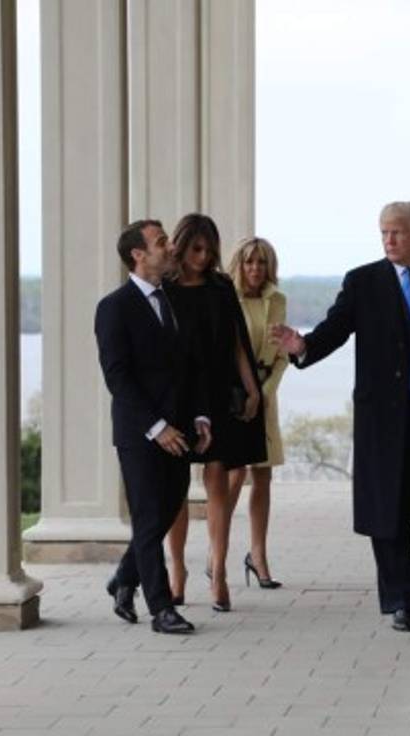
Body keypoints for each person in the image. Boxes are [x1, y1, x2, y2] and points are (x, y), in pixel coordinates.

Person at [272, 201, 410, 632]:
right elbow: (335, 329)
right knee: (388, 510)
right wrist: (304, 347)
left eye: (398, 232)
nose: (389, 240)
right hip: (383, 419)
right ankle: (399, 601)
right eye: (384, 233)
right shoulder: (363, 282)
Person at [94, 219, 209, 635]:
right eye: (161, 242)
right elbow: (117, 377)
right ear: (138, 255)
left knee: (164, 512)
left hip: (180, 428)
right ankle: (161, 609)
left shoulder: (172, 299)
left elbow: (188, 367)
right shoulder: (114, 307)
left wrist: (200, 416)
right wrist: (157, 427)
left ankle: (124, 579)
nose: (170, 247)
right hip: (140, 433)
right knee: (147, 518)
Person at [163, 214, 265, 613]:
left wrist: (253, 389)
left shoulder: (221, 287)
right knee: (175, 486)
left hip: (220, 389)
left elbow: (238, 344)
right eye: (196, 249)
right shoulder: (165, 288)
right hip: (178, 393)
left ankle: (219, 571)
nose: (203, 257)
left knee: (218, 478)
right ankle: (177, 569)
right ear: (180, 246)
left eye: (209, 250)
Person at [225, 236, 288, 589]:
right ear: (239, 264)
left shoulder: (277, 300)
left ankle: (258, 555)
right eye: (249, 261)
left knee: (263, 477)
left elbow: (282, 356)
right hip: (234, 397)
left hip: (265, 396)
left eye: (262, 262)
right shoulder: (226, 298)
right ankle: (217, 554)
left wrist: (263, 394)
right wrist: (246, 394)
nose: (255, 269)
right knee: (234, 475)